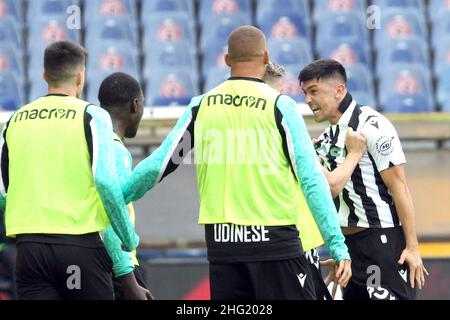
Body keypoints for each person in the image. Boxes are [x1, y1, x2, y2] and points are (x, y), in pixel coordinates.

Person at [122, 26, 351, 300]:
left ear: (227, 60)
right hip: (275, 246)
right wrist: (337, 246)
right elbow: (311, 179)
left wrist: (114, 197)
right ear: (265, 58)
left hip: (224, 248)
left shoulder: (201, 107)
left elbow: (158, 166)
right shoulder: (280, 107)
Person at [0, 41, 139, 300]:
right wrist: (127, 238)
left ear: (44, 75)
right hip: (78, 246)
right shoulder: (92, 115)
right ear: (80, 76)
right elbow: (106, 183)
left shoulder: (15, 120)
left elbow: (2, 190)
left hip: (30, 250)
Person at [298, 59, 428, 300]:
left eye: (314, 91)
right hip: (350, 248)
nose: (308, 100)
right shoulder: (327, 136)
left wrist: (412, 247)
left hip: (381, 242)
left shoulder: (373, 126)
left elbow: (399, 186)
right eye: (305, 93)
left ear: (339, 90)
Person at [263, 61, 332, 300]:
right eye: (278, 94)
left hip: (296, 242)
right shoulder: (273, 133)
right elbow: (328, 185)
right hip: (292, 243)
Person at [97, 72, 152, 300]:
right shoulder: (115, 150)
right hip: (118, 265)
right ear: (135, 106)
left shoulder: (95, 146)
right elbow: (110, 211)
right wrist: (127, 277)